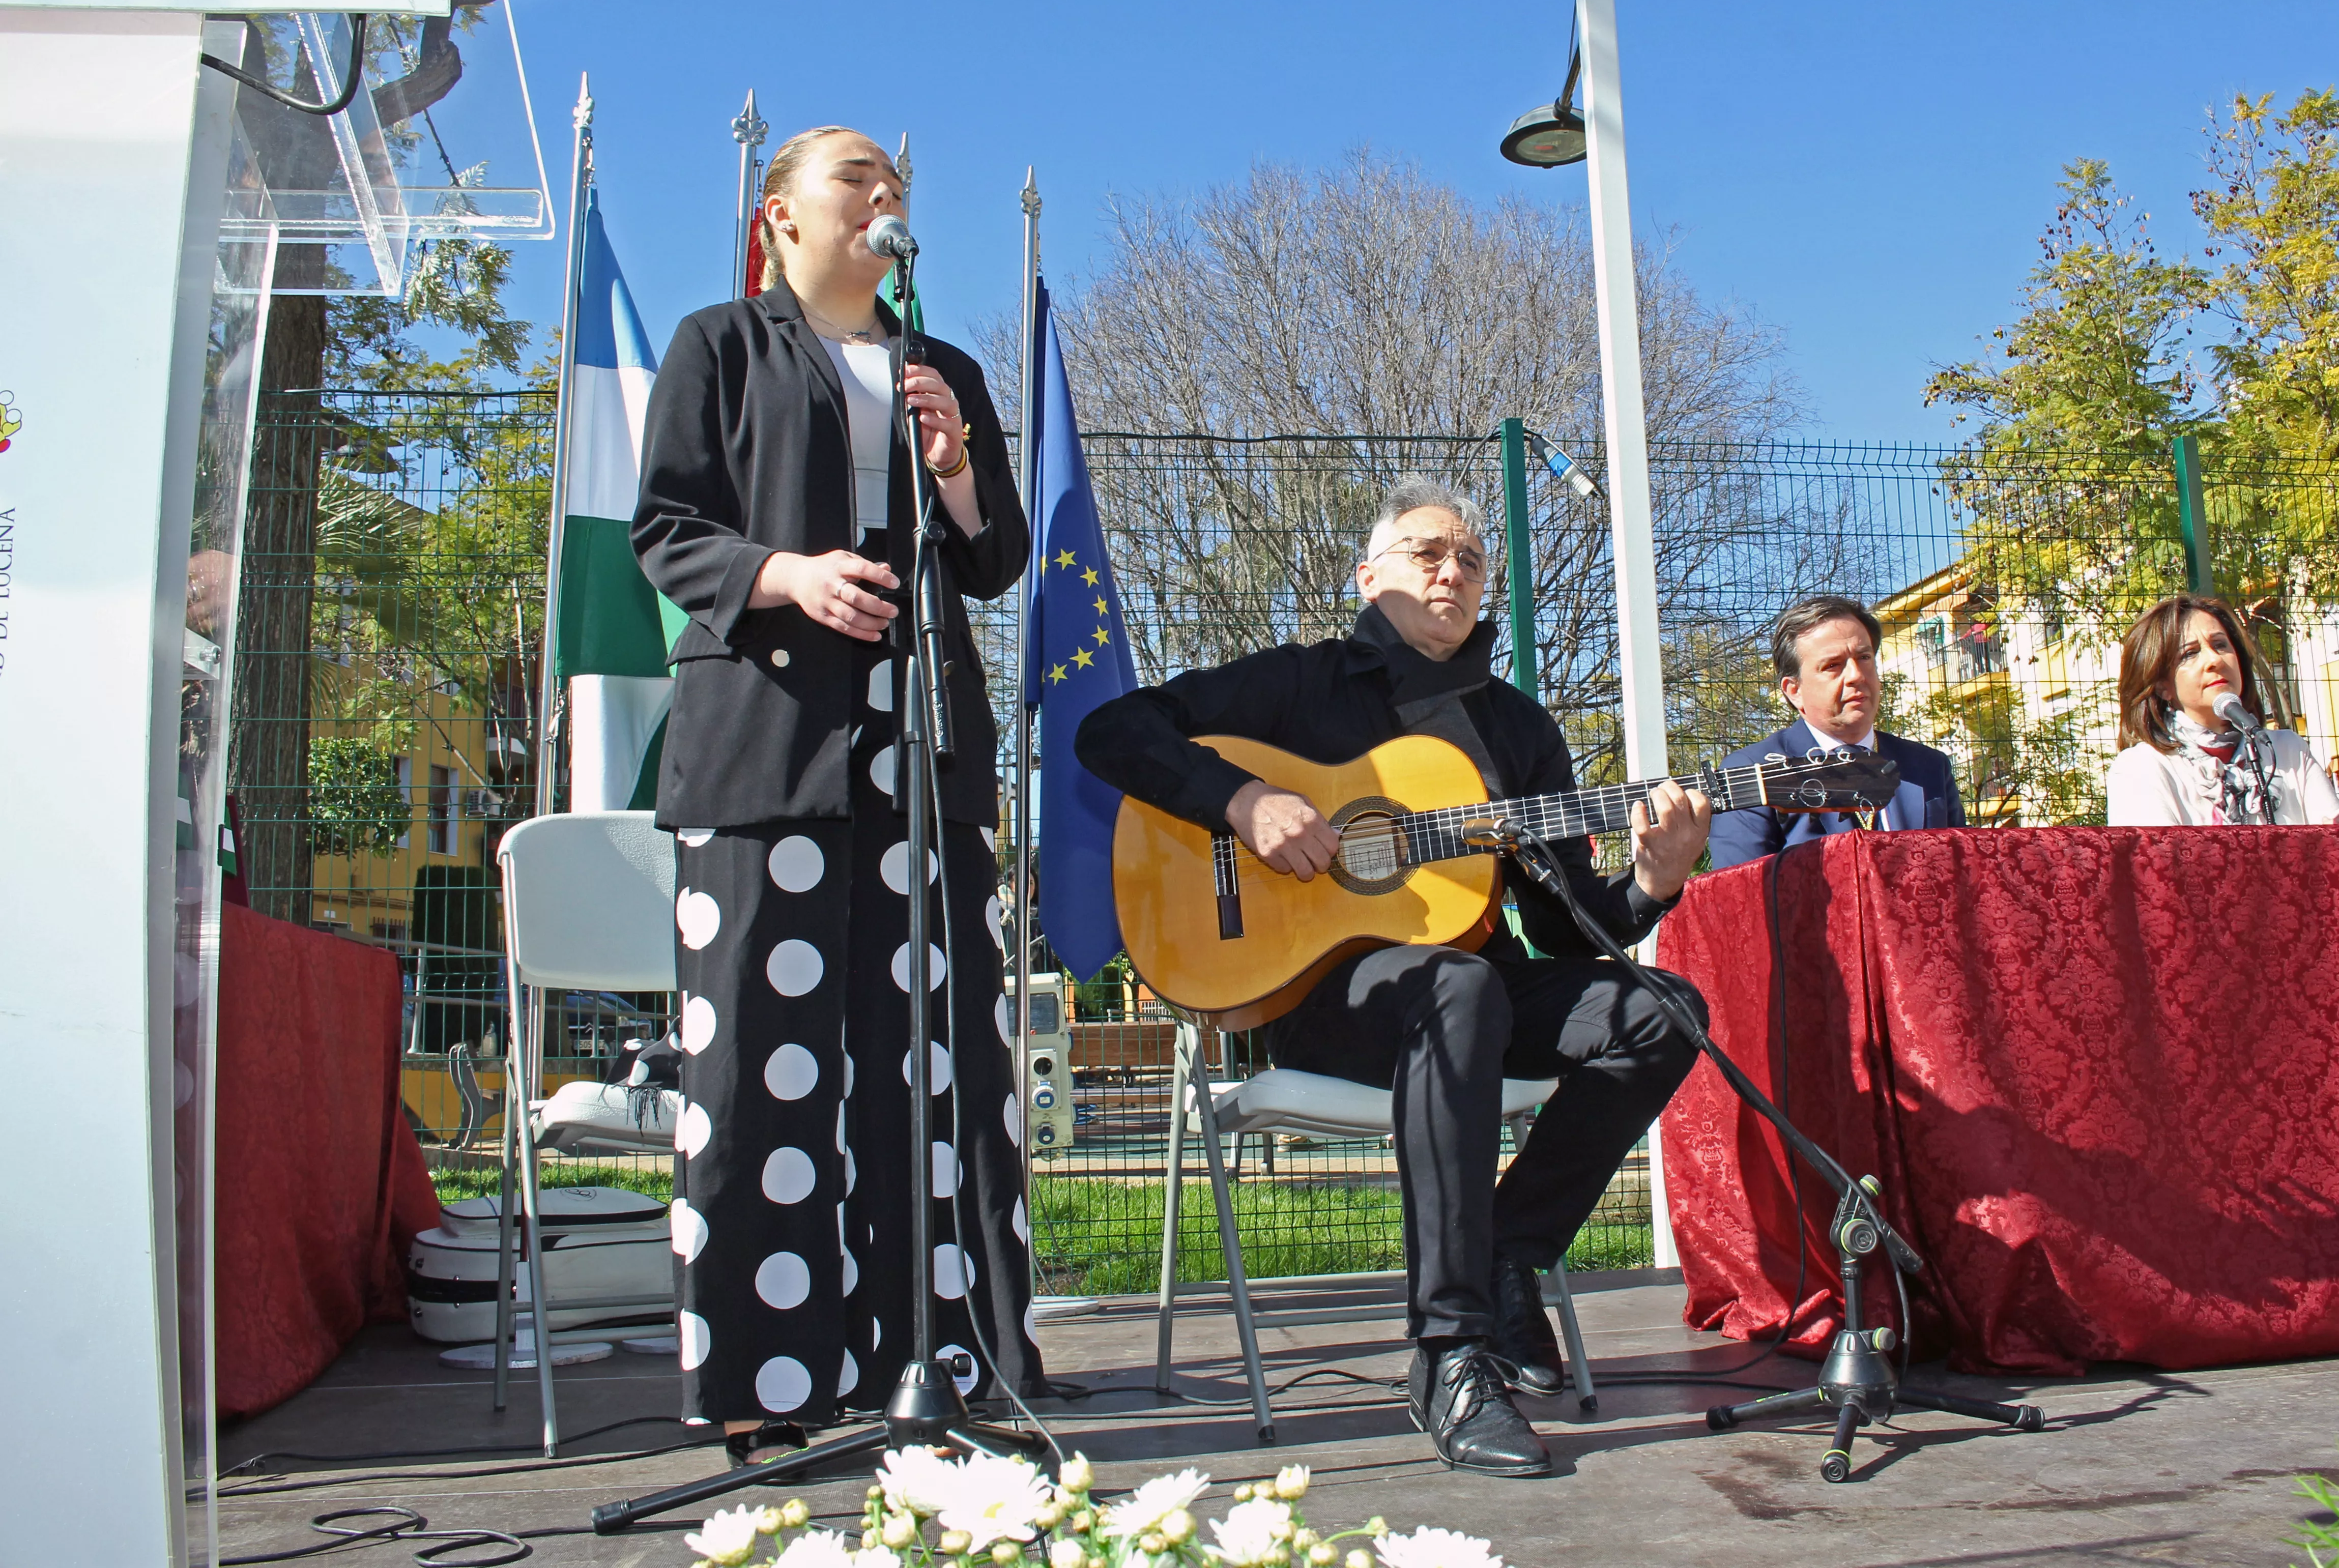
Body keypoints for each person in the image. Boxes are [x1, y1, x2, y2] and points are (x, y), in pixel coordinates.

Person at [1077, 479, 1713, 1479]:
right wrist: (1240, 800)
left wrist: (1650, 882)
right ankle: (1450, 1351)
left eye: (1468, 558)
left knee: (1663, 1011)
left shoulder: (1519, 732)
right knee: (1460, 989)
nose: (1451, 571)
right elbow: (1110, 732)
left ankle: (1509, 1256)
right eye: (1427, 552)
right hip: (1324, 999)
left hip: (1481, 997)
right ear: (1369, 576)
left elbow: (1563, 929)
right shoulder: (1298, 684)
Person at [632, 127, 1041, 1467]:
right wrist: (788, 579)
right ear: (782, 215)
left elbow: (994, 561)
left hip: (918, 754)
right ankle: (762, 1373)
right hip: (768, 748)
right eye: (855, 176)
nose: (884, 195)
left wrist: (956, 465)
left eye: (897, 182)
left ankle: (945, 1360)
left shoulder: (945, 369)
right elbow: (668, 529)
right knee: (763, 1057)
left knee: (937, 1063)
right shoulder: (720, 345)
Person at [1707, 594, 1966, 869]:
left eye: (1864, 657)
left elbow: (1964, 872)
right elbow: (1742, 895)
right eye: (1833, 665)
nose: (1856, 675)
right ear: (1795, 691)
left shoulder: (1929, 767)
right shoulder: (1749, 772)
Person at [2105, 593, 2339, 826]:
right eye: (2190, 653)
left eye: (2221, 645)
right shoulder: (2142, 768)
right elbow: (2156, 872)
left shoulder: (2288, 750)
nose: (2215, 660)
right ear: (2162, 686)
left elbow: (2334, 854)